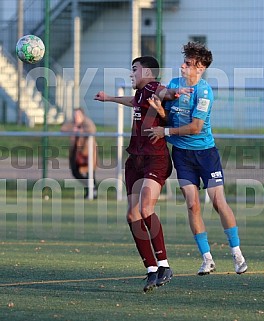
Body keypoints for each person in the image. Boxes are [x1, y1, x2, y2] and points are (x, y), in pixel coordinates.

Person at [145, 42, 248, 275]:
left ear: (200, 68)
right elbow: (166, 117)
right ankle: (207, 258)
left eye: (189, 64)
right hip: (182, 155)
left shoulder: (204, 92)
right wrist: (159, 110)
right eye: (185, 61)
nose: (183, 66)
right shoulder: (173, 85)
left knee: (218, 202)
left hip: (205, 154)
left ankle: (237, 254)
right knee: (192, 204)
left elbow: (196, 127)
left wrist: (166, 132)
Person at [94, 56, 186, 292]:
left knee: (146, 208)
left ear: (146, 71)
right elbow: (133, 101)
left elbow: (164, 92)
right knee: (133, 215)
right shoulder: (141, 93)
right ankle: (151, 269)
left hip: (155, 159)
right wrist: (110, 98)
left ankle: (164, 265)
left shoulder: (153, 88)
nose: (131, 73)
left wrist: (174, 93)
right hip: (135, 160)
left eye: (134, 69)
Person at [61, 108, 98, 199]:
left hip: (87, 152)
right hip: (76, 153)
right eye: (75, 115)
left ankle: (91, 192)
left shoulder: (87, 123)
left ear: (82, 115)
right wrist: (73, 130)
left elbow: (92, 130)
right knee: (75, 172)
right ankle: (91, 188)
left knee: (89, 172)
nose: (76, 117)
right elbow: (63, 129)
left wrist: (81, 131)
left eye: (78, 115)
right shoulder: (72, 123)